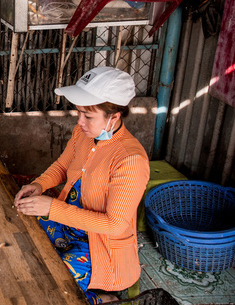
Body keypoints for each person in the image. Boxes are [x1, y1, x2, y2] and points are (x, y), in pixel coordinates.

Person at [14, 67, 149, 304]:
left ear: (114, 117)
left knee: (54, 281)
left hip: (100, 247)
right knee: (24, 232)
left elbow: (115, 225)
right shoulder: (83, 134)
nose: (79, 122)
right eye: (78, 113)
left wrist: (52, 208)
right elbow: (62, 166)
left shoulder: (130, 160)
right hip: (70, 222)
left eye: (88, 116)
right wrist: (39, 185)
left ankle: (104, 299)